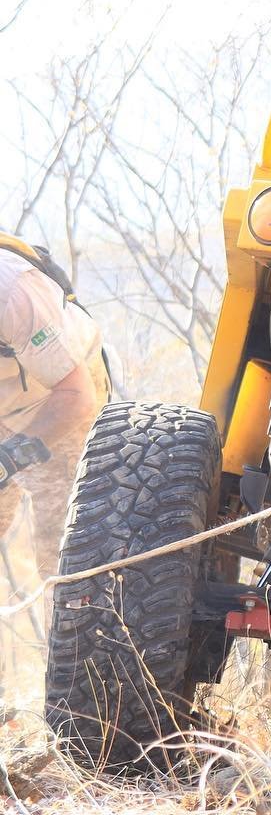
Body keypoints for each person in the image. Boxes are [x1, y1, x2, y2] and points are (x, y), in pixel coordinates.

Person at [0, 238, 111, 608]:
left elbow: (76, 397)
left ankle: (76, 658)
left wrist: (11, 457)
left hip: (61, 397)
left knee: (63, 547)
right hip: (6, 401)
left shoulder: (13, 290)